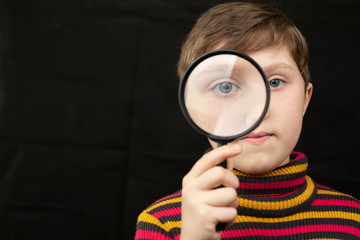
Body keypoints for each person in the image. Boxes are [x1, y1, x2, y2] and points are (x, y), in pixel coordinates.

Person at [135, 2, 360, 239]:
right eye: (225, 86)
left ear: (305, 99)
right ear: (194, 107)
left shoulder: (354, 221)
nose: (255, 111)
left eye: (275, 82)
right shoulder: (161, 224)